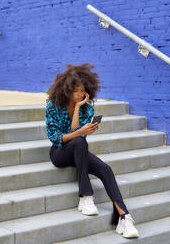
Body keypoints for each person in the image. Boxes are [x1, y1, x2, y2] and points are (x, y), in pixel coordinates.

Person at [45, 63, 139, 238]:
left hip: (77, 150)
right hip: (59, 152)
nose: (80, 94)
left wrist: (79, 107)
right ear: (66, 89)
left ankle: (124, 217)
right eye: (76, 90)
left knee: (105, 169)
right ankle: (86, 196)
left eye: (83, 90)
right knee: (79, 141)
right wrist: (81, 132)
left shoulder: (86, 108)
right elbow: (56, 137)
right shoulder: (53, 106)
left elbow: (77, 133)